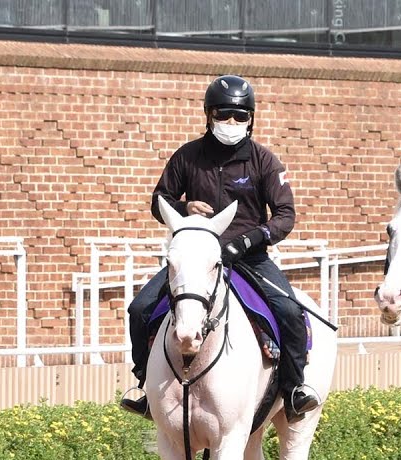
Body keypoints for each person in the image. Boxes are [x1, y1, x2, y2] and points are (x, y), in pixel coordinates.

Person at [120, 74, 318, 422]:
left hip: (249, 258)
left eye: (240, 116)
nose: (231, 123)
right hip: (197, 259)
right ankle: (142, 387)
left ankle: (294, 389)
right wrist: (184, 209)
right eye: (224, 115)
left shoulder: (264, 161)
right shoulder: (187, 157)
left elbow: (285, 215)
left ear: (251, 119)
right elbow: (158, 200)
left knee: (288, 311)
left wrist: (251, 239)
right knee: (139, 309)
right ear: (209, 115)